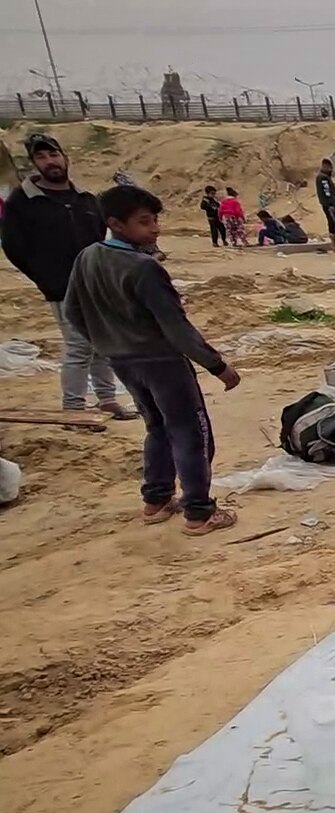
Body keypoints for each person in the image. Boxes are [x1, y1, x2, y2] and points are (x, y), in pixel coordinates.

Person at [62, 185, 243, 536]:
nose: (154, 229)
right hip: (161, 362)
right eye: (144, 222)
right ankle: (199, 512)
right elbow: (176, 327)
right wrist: (218, 366)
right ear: (115, 223)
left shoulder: (87, 257)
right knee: (191, 432)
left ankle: (156, 500)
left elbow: (73, 312)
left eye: (155, 220)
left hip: (123, 362)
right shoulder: (143, 268)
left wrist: (106, 342)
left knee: (156, 427)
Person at [0, 133, 136, 420]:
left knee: (103, 343)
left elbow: (100, 235)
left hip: (96, 283)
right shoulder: (23, 201)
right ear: (34, 163)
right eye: (41, 157)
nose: (50, 161)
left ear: (64, 157)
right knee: (78, 346)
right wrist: (45, 276)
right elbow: (13, 245)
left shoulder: (84, 198)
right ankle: (73, 407)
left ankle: (107, 398)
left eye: (53, 154)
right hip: (62, 286)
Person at [316, 158, 335, 253]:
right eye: (329, 167)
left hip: (329, 204)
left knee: (332, 224)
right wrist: (331, 204)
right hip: (330, 205)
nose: (331, 170)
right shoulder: (323, 178)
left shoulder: (324, 177)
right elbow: (327, 192)